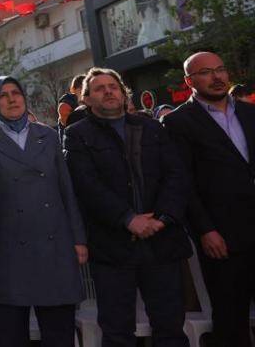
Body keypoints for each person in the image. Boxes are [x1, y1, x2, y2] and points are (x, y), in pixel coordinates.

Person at [65, 68, 190, 347]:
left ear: (124, 94)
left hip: (162, 243)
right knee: (117, 331)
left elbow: (176, 175)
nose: (108, 91)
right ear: (85, 99)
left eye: (113, 87)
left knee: (170, 327)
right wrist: (127, 218)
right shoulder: (77, 135)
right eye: (99, 88)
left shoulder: (153, 128)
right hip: (113, 249)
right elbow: (87, 186)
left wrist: (162, 218)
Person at [0, 76, 86, 347]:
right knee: (13, 336)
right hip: (8, 249)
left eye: (16, 93)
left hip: (55, 244)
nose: (12, 99)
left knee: (60, 334)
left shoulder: (48, 135)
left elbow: (66, 191)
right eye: (3, 95)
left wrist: (79, 239)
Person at [162, 52, 255, 347]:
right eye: (206, 72)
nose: (216, 77)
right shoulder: (179, 122)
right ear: (189, 81)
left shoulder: (250, 113)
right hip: (222, 236)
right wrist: (205, 229)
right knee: (231, 318)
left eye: (220, 70)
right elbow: (184, 183)